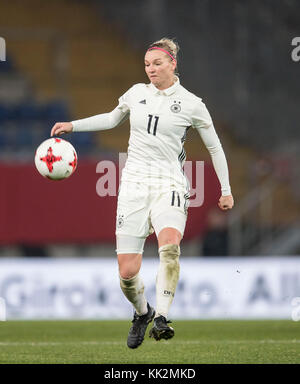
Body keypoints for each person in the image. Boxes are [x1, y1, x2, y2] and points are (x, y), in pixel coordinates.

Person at [51, 37, 234, 349]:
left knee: (170, 246)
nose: (151, 69)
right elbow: (111, 119)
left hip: (170, 184)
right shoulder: (136, 93)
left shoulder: (192, 104)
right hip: (133, 185)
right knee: (127, 271)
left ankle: (162, 317)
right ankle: (143, 312)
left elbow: (214, 146)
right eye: (147, 64)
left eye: (157, 63)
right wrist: (73, 125)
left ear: (173, 64)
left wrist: (226, 190)